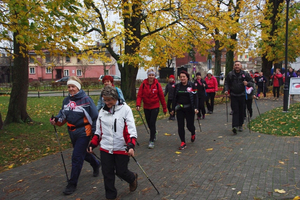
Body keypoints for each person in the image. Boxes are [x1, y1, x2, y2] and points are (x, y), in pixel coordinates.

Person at [50, 76, 100, 195]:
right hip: (72, 132)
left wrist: (94, 134)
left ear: (78, 87)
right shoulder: (66, 101)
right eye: (69, 87)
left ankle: (72, 184)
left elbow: (95, 117)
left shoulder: (86, 100)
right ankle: (96, 163)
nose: (71, 89)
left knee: (76, 157)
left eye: (73, 86)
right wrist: (56, 120)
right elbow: (62, 115)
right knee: (83, 153)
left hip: (84, 131)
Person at [88, 85, 138, 200]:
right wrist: (93, 144)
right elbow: (98, 132)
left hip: (121, 147)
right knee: (107, 173)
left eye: (109, 100)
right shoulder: (102, 112)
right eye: (104, 100)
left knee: (121, 171)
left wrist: (130, 145)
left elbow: (131, 130)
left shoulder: (125, 110)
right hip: (105, 148)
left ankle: (132, 178)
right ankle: (111, 196)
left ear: (115, 97)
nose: (107, 102)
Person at [136, 69, 167, 149]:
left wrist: (164, 108)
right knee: (149, 123)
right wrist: (138, 104)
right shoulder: (143, 84)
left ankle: (151, 140)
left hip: (155, 106)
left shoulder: (157, 85)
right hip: (146, 107)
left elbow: (161, 97)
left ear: (154, 76)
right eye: (150, 75)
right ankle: (154, 132)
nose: (151, 77)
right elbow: (139, 95)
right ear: (148, 76)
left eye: (152, 75)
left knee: (152, 123)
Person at [170, 70, 198, 150]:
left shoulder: (192, 86)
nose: (182, 78)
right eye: (181, 77)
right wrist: (172, 109)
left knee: (190, 126)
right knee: (180, 126)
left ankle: (193, 132)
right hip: (180, 109)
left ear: (187, 78)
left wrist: (196, 108)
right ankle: (183, 142)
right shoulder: (177, 86)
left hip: (189, 108)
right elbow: (174, 98)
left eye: (184, 77)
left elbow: (196, 97)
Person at [224, 61, 254, 134]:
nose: (237, 66)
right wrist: (226, 90)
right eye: (235, 65)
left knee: (241, 110)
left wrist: (247, 83)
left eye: (238, 65)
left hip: (242, 95)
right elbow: (226, 82)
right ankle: (234, 126)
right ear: (234, 66)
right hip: (233, 95)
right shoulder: (230, 74)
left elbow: (252, 82)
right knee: (235, 110)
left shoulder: (245, 74)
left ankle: (240, 124)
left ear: (241, 66)